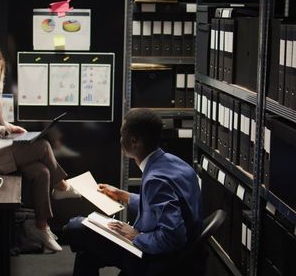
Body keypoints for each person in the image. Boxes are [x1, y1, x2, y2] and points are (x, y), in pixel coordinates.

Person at [0, 43, 80, 252]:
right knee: (43, 146)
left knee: (42, 172)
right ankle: (62, 186)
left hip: (0, 144)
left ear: (1, 67)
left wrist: (8, 126)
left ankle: (41, 227)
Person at [63, 108, 202, 275]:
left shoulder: (154, 179)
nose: (120, 140)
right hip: (186, 257)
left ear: (134, 141)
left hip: (158, 261)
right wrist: (124, 196)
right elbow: (160, 207)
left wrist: (135, 236)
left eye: (123, 135)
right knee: (86, 252)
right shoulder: (175, 162)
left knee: (76, 227)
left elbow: (173, 237)